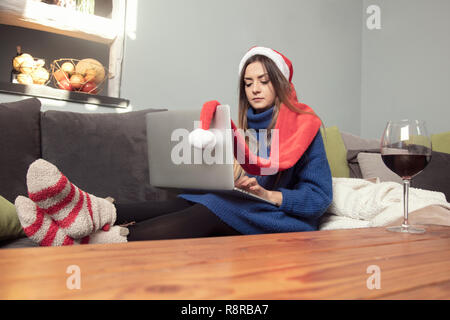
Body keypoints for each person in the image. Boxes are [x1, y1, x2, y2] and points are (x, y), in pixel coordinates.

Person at [14, 46, 333, 246]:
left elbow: (319, 198)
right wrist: (236, 181)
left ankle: (98, 240)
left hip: (287, 219)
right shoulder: (244, 124)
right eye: (248, 83)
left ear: (281, 82)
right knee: (197, 198)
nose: (254, 89)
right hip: (250, 204)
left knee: (214, 208)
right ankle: (89, 211)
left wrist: (269, 194)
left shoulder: (306, 127)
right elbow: (245, 180)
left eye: (263, 80)